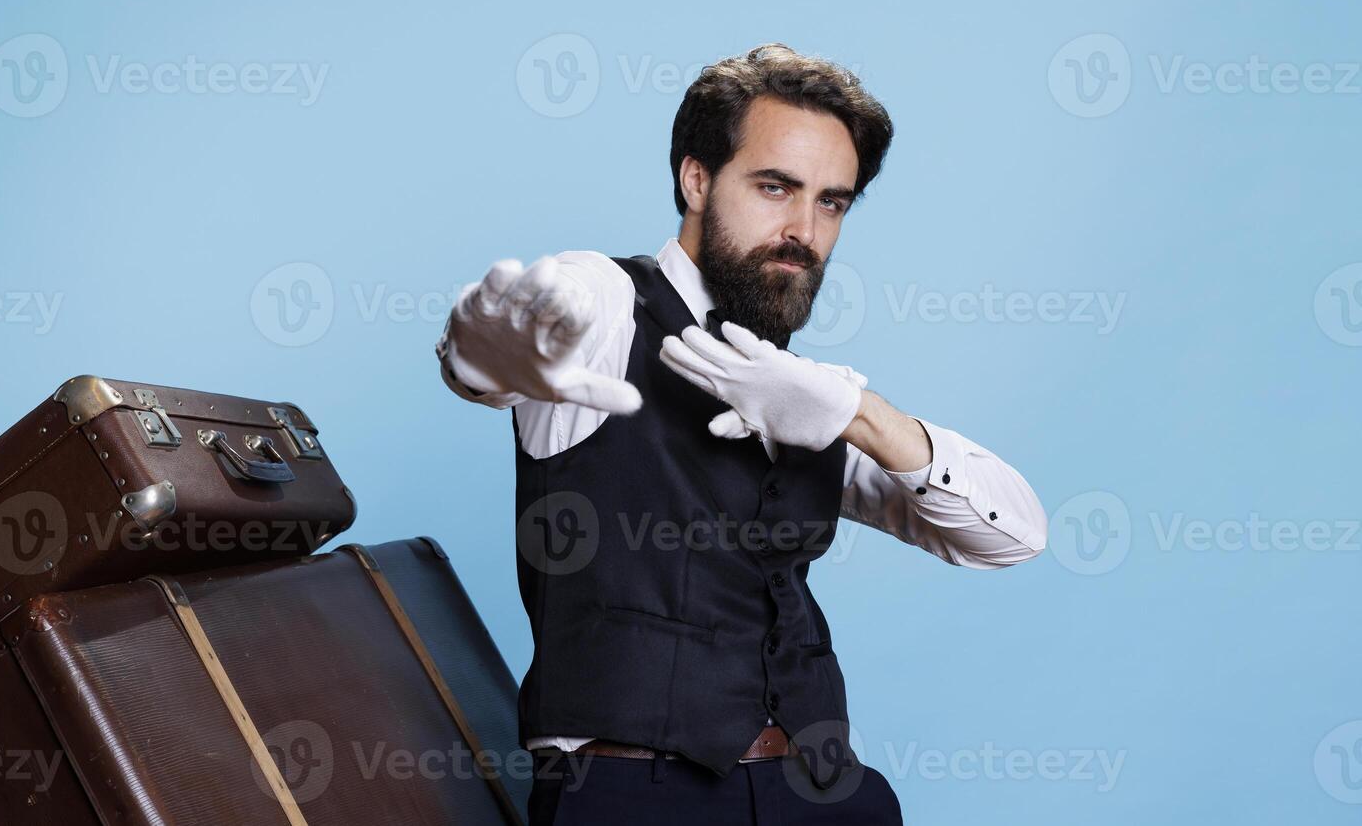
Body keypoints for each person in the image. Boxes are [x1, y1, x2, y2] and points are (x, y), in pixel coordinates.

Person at [435, 43, 1048, 824]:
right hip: (637, 797)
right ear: (697, 179)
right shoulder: (604, 307)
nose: (804, 229)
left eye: (833, 202)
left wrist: (852, 413)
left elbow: (1013, 536)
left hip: (826, 792)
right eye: (775, 187)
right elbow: (496, 344)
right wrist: (485, 348)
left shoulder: (806, 390)